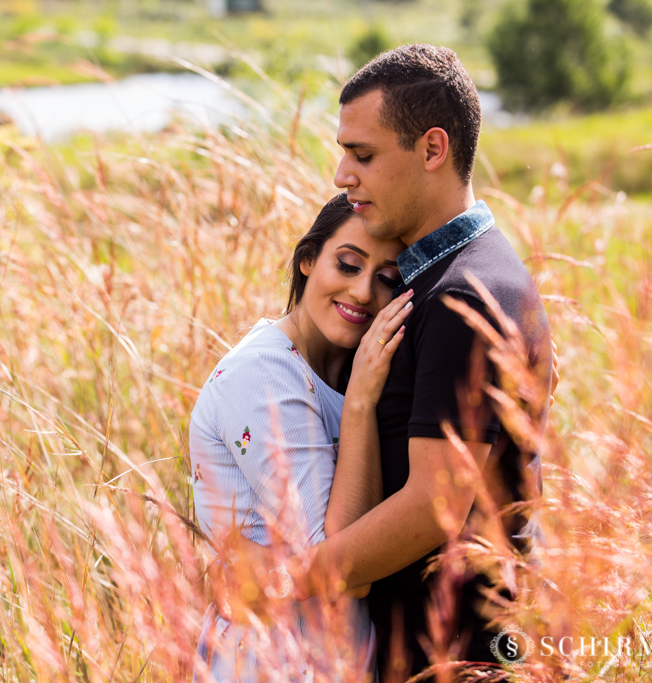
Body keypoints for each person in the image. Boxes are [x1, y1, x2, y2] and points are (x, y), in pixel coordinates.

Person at [215, 44, 554, 678]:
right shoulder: (448, 280)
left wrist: (282, 584)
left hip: (457, 654)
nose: (342, 174)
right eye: (344, 152)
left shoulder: (463, 294)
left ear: (432, 150)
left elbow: (436, 502)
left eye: (362, 154)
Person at [189, 194, 413, 681]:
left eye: (386, 279)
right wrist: (358, 406)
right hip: (271, 663)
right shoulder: (265, 374)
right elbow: (343, 563)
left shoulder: (355, 367)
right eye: (348, 264)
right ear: (308, 259)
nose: (361, 292)